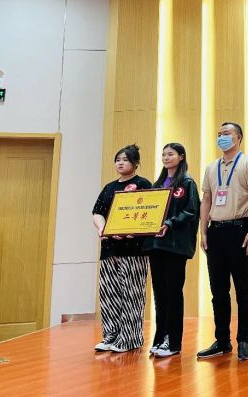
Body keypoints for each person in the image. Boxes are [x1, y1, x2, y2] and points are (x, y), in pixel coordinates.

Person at [197, 122, 248, 360]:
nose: (222, 137)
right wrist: (203, 232)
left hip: (240, 230)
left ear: (239, 137)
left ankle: (243, 340)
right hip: (215, 231)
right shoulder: (211, 167)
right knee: (218, 290)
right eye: (219, 134)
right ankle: (222, 340)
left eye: (227, 133)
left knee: (243, 288)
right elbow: (206, 199)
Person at [92, 144, 152, 353]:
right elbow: (97, 212)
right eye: (118, 159)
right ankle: (111, 335)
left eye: (125, 160)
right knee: (109, 293)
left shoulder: (143, 184)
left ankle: (129, 337)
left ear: (135, 164)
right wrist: (103, 229)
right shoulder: (109, 187)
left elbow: (150, 212)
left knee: (132, 293)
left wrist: (131, 229)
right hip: (110, 247)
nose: (120, 163)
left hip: (133, 248)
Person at [143, 142, 200, 358]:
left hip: (175, 246)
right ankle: (161, 337)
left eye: (171, 154)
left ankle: (173, 342)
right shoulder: (157, 184)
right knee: (160, 293)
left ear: (181, 157)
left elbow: (191, 211)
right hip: (155, 245)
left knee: (173, 292)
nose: (166, 158)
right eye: (164, 154)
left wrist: (170, 223)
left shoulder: (187, 182)